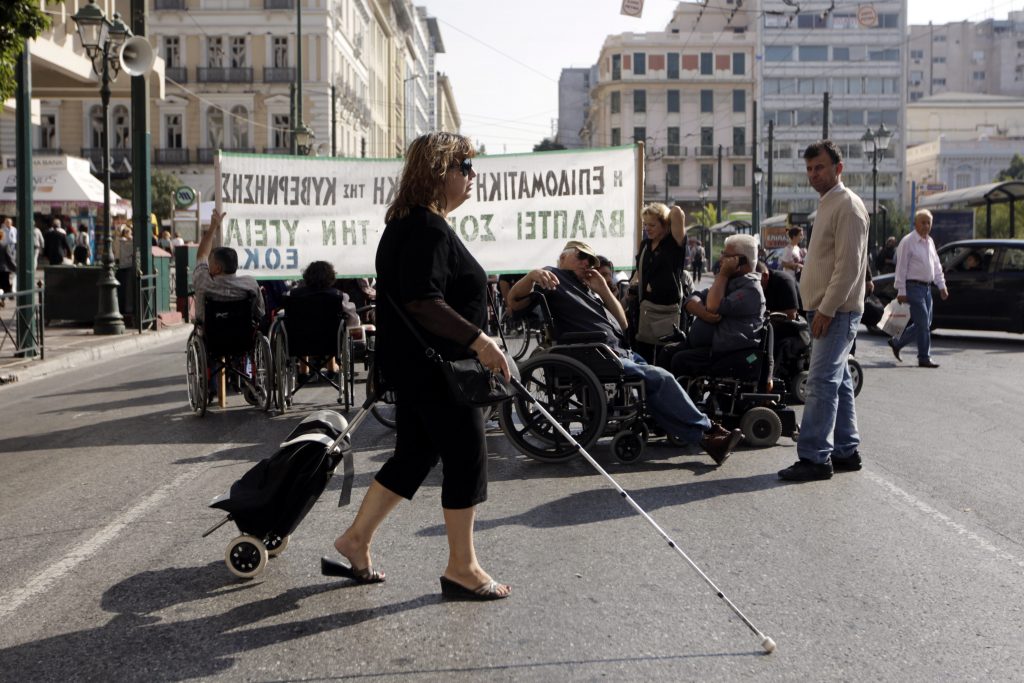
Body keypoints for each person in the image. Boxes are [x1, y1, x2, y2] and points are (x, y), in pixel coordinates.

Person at [328, 132, 511, 601]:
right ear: (439, 172)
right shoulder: (425, 228)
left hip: (419, 366)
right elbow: (422, 301)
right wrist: (480, 340)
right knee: (467, 455)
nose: (473, 177)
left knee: (414, 456)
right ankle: (462, 567)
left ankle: (356, 540)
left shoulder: (414, 224)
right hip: (438, 368)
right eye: (465, 168)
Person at [507, 239, 744, 467]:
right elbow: (514, 303)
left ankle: (706, 437)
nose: (586, 263)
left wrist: (603, 290)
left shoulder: (587, 288)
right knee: (661, 378)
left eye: (590, 260)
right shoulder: (552, 276)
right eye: (580, 257)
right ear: (562, 257)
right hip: (593, 353)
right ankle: (708, 430)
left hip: (616, 351)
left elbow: (623, 324)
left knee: (655, 385)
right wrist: (531, 276)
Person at [778, 139, 869, 482]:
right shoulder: (829, 204)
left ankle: (815, 457)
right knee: (839, 380)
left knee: (820, 383)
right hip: (826, 309)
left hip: (836, 310)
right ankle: (846, 450)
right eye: (810, 169)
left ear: (838, 169)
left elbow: (848, 267)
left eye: (820, 167)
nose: (814, 174)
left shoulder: (847, 206)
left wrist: (828, 310)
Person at [668, 234, 765, 378]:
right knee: (667, 352)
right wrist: (703, 313)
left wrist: (723, 274)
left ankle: (681, 400)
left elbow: (713, 305)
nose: (721, 259)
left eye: (726, 255)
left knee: (680, 360)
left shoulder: (751, 289)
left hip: (726, 352)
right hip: (707, 346)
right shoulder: (731, 282)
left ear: (740, 260)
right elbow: (692, 299)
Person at [888, 209, 948, 369]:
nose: (926, 225)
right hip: (913, 287)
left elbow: (936, 265)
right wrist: (901, 291)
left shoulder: (930, 242)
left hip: (927, 289)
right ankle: (924, 357)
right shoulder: (908, 242)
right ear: (915, 223)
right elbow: (901, 267)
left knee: (925, 323)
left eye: (928, 223)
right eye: (923, 222)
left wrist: (942, 286)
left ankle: (897, 342)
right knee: (923, 324)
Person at [632, 202, 689, 361]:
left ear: (665, 225)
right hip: (646, 309)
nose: (647, 228)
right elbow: (640, 269)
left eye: (652, 224)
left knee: (667, 357)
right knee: (644, 357)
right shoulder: (645, 245)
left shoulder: (674, 243)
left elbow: (678, 212)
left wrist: (664, 213)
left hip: (668, 311)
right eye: (645, 224)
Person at [192, 210, 265, 324]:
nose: (208, 264)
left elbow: (202, 255)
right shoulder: (250, 284)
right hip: (242, 336)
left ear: (217, 268)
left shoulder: (204, 281)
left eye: (210, 262)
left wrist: (213, 227)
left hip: (211, 336)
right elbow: (259, 313)